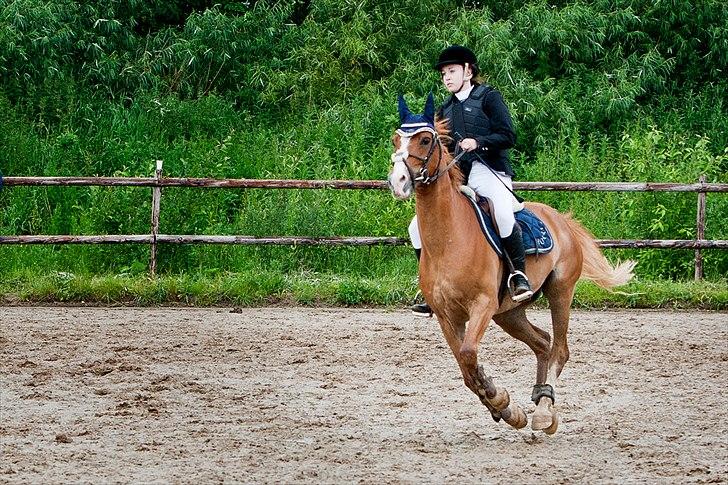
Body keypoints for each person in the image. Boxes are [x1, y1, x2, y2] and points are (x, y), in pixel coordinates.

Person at [410, 45, 532, 316]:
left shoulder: (489, 97)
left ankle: (518, 275)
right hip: (459, 175)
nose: (447, 78)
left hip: (491, 171)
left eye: (451, 71)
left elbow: (508, 135)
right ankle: (429, 289)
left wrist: (479, 142)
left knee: (501, 212)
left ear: (468, 70)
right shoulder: (444, 110)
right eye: (443, 74)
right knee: (414, 227)